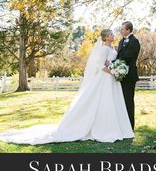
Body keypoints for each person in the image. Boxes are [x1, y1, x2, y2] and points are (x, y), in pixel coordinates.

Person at [0, 29, 134, 145]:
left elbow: (110, 62)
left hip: (111, 79)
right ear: (105, 37)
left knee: (112, 103)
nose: (113, 35)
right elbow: (100, 66)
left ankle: (115, 127)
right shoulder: (104, 48)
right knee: (103, 102)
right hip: (105, 78)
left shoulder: (112, 48)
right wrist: (114, 71)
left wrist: (115, 69)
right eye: (110, 34)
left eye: (112, 34)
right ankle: (100, 128)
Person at [115, 21, 141, 130]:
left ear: (128, 30)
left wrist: (116, 63)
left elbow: (129, 56)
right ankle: (122, 125)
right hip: (120, 76)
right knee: (121, 101)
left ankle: (130, 127)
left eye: (122, 29)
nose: (121, 31)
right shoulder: (121, 41)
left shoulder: (134, 41)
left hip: (129, 76)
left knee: (128, 101)